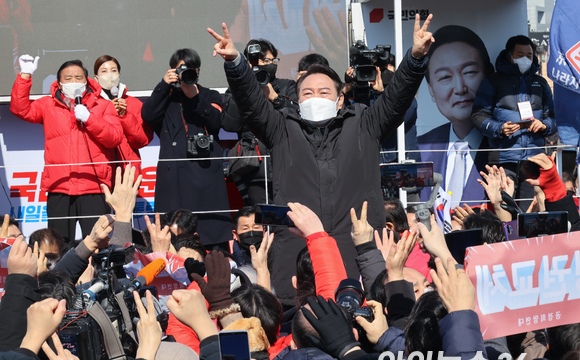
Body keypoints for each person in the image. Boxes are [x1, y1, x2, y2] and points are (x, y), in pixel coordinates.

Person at [207, 15, 434, 306]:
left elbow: (397, 98)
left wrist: (415, 58)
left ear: (340, 99)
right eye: (308, 93)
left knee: (366, 317)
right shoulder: (281, 127)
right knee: (301, 322)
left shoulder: (365, 122)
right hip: (297, 248)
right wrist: (236, 65)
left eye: (324, 92)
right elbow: (251, 104)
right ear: (297, 99)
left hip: (357, 244)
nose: (316, 97)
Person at [10, 56, 123, 242]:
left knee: (98, 245)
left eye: (78, 78)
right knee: (59, 245)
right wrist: (25, 75)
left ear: (87, 81)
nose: (73, 82)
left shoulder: (102, 106)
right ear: (59, 83)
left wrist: (89, 119)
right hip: (60, 186)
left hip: (94, 187)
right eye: (68, 78)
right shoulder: (48, 105)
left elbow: (114, 138)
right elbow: (20, 109)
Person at [141, 48, 232, 249]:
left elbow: (218, 122)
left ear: (197, 71)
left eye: (190, 69)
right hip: (172, 179)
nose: (185, 73)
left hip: (204, 177)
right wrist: (164, 85)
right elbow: (148, 115)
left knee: (211, 236)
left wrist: (195, 97)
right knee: (172, 236)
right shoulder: (165, 97)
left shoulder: (210, 95)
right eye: (179, 69)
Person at [418, 25, 495, 212]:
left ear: (488, 76)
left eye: (469, 72)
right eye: (445, 77)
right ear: (431, 90)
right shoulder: (421, 148)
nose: (460, 88)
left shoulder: (506, 146)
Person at [472, 35, 557, 201]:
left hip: (534, 160)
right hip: (503, 159)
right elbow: (477, 115)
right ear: (509, 56)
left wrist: (545, 125)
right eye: (520, 54)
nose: (525, 59)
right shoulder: (492, 81)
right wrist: (500, 128)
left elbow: (554, 118)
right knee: (503, 210)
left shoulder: (540, 83)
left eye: (529, 55)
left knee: (530, 213)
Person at [222, 39, 297, 206]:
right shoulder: (236, 89)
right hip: (253, 167)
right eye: (265, 61)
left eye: (273, 61)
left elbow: (298, 117)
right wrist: (243, 87)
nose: (270, 65)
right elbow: (229, 125)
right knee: (260, 219)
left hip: (286, 164)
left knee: (288, 220)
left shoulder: (288, 86)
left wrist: (275, 98)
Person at [93, 55, 154, 179]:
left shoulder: (134, 104)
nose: (109, 75)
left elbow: (142, 141)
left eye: (113, 70)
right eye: (104, 71)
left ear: (119, 74)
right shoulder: (90, 104)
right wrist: (107, 113)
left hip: (128, 175)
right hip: (99, 176)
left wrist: (124, 116)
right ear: (96, 78)